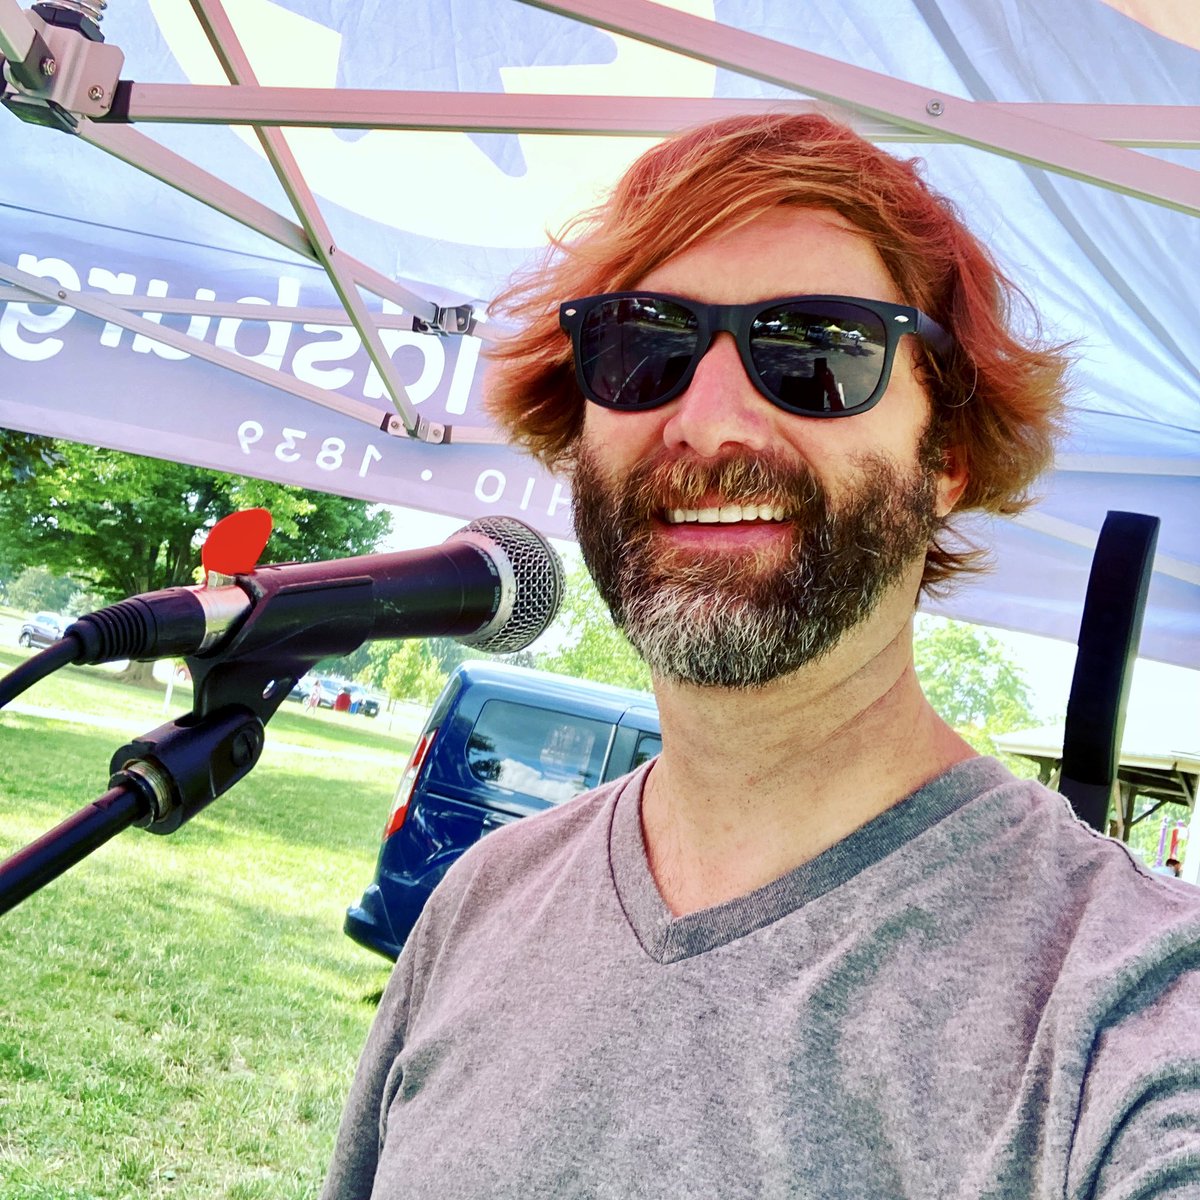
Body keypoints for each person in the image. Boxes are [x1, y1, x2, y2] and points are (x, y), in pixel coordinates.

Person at [321, 114, 1200, 1198]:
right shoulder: (481, 904)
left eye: (817, 349)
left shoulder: (1136, 1013)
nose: (711, 422)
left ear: (949, 459)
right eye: (644, 345)